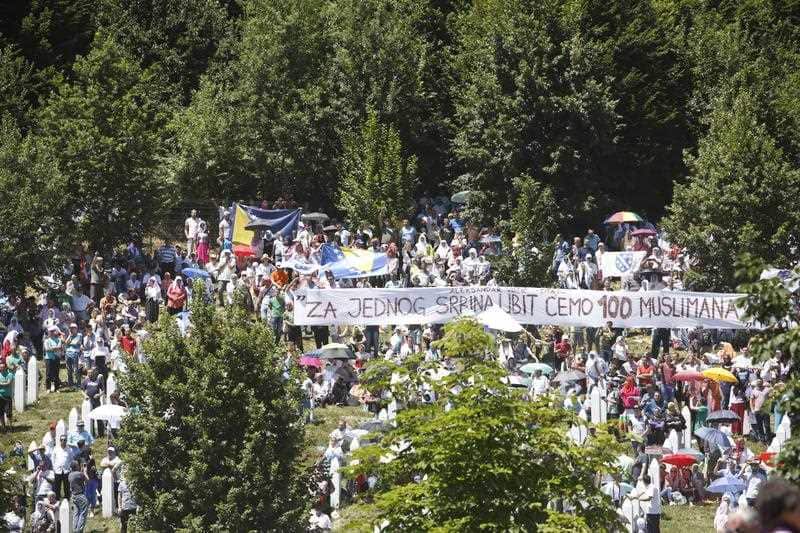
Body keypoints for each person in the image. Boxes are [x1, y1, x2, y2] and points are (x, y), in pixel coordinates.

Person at [50, 434, 73, 500]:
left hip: (66, 471)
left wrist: (69, 467)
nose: (63, 441)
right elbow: (53, 459)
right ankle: (57, 500)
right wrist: (54, 468)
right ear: (60, 441)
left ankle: (67, 499)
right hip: (57, 470)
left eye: (64, 440)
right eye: (61, 440)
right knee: (57, 487)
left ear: (66, 440)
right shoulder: (56, 448)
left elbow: (71, 459)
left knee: (66, 486)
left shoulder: (69, 449)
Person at [69, 460, 89, 533]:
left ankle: (74, 529)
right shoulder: (80, 474)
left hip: (73, 496)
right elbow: (87, 480)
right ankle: (79, 530)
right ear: (76, 466)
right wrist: (85, 472)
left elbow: (78, 478)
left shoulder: (70, 474)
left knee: (76, 513)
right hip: (80, 495)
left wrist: (81, 471)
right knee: (83, 513)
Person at [43, 325, 63, 393]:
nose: (51, 333)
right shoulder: (46, 340)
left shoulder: (58, 339)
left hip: (56, 358)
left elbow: (60, 347)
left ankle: (56, 388)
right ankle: (48, 388)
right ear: (48, 333)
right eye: (50, 332)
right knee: (48, 374)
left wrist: (53, 348)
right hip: (48, 358)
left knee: (56, 373)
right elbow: (47, 349)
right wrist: (55, 348)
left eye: (53, 331)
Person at [0, 359, 13, 430]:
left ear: (6, 367)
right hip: (0, 397)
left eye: (3, 367)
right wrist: (4, 384)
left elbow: (8, 383)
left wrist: (1, 384)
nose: (1, 368)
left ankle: (10, 426)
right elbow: (6, 383)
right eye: (0, 367)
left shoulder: (10, 374)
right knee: (1, 413)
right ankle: (3, 426)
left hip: (7, 397)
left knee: (9, 413)